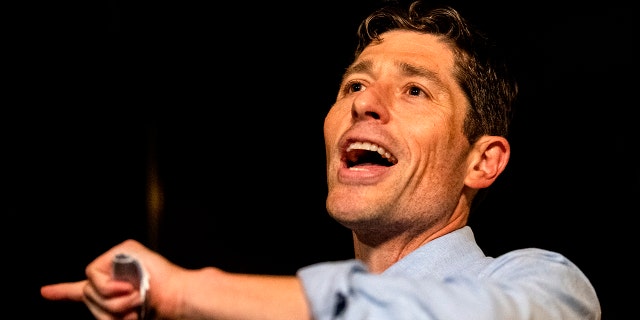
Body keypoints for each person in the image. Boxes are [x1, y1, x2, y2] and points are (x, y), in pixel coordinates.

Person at [40, 1, 601, 319]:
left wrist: (185, 291)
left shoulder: (546, 287)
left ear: (482, 161)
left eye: (414, 91)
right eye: (354, 84)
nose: (364, 103)